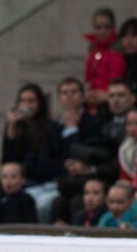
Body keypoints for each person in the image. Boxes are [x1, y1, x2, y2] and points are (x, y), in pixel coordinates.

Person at [27, 77, 103, 222]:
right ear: (59, 98)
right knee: (27, 197)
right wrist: (65, 166)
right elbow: (44, 162)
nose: (69, 96)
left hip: (80, 183)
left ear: (82, 96)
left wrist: (73, 131)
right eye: (64, 93)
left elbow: (83, 157)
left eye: (74, 92)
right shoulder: (52, 127)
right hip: (53, 181)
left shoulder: (93, 122)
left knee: (44, 205)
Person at [1, 83, 51, 178]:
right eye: (22, 101)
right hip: (16, 178)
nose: (26, 105)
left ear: (39, 103)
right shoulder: (15, 124)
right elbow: (7, 159)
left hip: (38, 177)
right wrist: (11, 126)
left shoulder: (49, 126)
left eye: (31, 101)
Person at [83, 7, 126, 114]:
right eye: (98, 27)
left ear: (113, 28)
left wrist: (106, 95)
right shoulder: (93, 52)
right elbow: (88, 79)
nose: (102, 31)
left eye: (107, 27)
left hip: (109, 106)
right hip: (93, 104)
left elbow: (116, 79)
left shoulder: (117, 52)